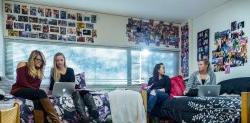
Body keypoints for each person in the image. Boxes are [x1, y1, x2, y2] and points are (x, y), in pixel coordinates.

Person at [10, 50, 61, 123]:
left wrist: (37, 93)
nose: (40, 62)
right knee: (41, 93)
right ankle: (57, 121)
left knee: (38, 101)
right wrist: (37, 92)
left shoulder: (39, 71)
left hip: (29, 92)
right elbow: (22, 82)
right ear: (32, 59)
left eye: (42, 61)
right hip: (18, 89)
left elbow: (36, 87)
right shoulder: (22, 64)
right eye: (38, 59)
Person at [48, 52, 99, 123]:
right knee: (76, 94)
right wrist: (49, 95)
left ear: (64, 60)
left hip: (72, 91)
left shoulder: (70, 70)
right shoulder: (54, 71)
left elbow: (72, 84)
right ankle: (84, 117)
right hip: (61, 93)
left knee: (85, 93)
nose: (59, 62)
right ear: (55, 62)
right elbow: (51, 86)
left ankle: (93, 110)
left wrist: (74, 89)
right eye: (57, 60)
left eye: (61, 60)